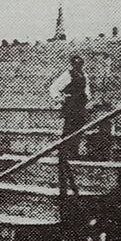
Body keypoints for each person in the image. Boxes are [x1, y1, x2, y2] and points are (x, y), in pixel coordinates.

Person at [48, 55, 91, 196]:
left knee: (78, 130)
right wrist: (60, 98)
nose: (78, 65)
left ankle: (74, 152)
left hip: (81, 106)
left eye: (80, 63)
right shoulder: (67, 74)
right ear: (72, 64)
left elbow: (87, 91)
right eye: (75, 63)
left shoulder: (84, 75)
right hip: (71, 106)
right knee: (68, 129)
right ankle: (64, 153)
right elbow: (54, 88)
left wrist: (87, 100)